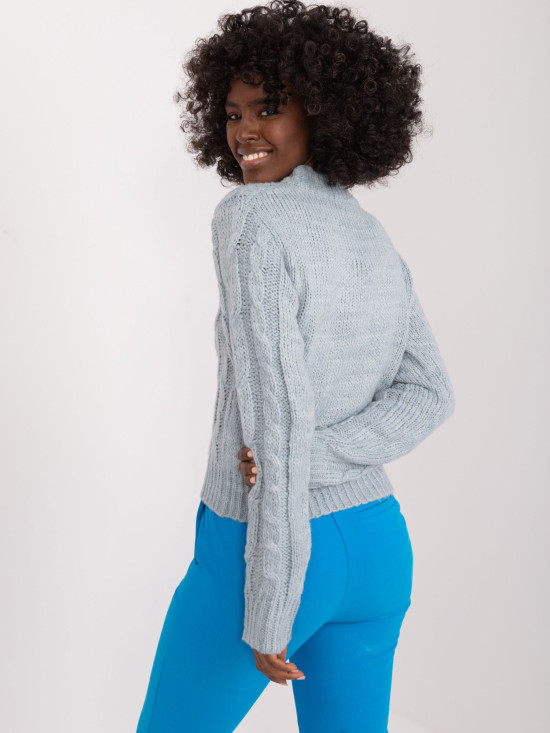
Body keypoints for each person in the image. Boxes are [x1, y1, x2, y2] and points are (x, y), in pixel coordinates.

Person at [136, 1, 454, 731]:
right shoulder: (368, 233)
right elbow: (430, 391)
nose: (244, 131)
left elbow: (276, 424)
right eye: (233, 113)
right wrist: (321, 453)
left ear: (322, 112)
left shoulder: (249, 219)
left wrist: (274, 601)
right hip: (377, 550)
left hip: (270, 547)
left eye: (268, 109)